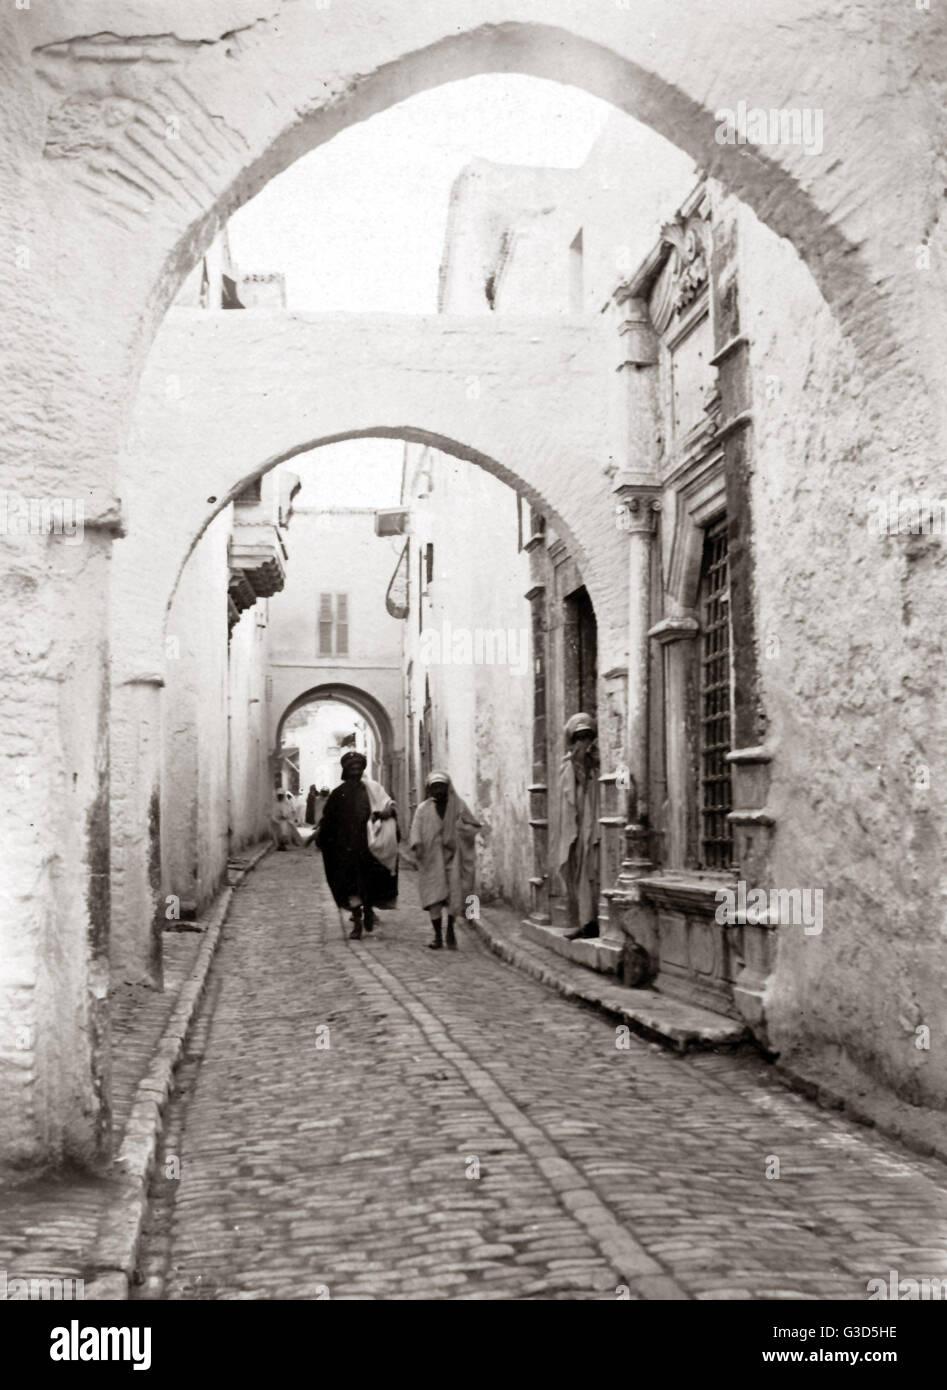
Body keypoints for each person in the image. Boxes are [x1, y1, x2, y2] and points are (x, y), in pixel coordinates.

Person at [316, 751, 398, 939]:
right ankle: (357, 919)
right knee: (350, 884)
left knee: (367, 882)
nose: (355, 771)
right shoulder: (338, 795)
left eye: (358, 768)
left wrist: (385, 814)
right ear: (345, 771)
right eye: (352, 768)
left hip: (367, 847)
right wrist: (324, 840)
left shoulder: (372, 789)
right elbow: (328, 822)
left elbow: (389, 807)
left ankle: (368, 910)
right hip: (346, 850)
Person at [409, 770, 482, 951]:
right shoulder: (423, 809)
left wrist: (460, 830)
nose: (438, 790)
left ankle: (450, 929)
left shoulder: (458, 806)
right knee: (434, 897)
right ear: (430, 789)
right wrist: (417, 845)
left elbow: (472, 825)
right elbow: (416, 830)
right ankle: (437, 936)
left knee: (453, 895)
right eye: (435, 787)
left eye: (441, 786)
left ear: (447, 787)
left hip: (454, 858)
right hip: (431, 859)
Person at [558, 712, 600, 940]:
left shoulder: (601, 764)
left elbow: (620, 786)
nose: (583, 743)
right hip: (579, 829)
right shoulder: (568, 767)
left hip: (599, 827)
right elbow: (570, 800)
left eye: (587, 737)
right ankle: (585, 921)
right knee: (581, 873)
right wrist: (578, 770)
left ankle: (597, 921)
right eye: (579, 738)